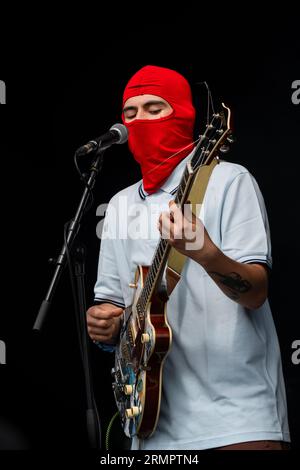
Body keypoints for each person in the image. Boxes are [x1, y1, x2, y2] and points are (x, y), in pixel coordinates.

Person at [86, 65, 290, 450]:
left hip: (236, 418)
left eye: (153, 108)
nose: (139, 121)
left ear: (181, 114)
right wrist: (105, 327)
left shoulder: (230, 181)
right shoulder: (118, 205)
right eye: (130, 114)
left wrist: (207, 254)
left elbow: (255, 292)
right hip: (152, 424)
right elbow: (113, 308)